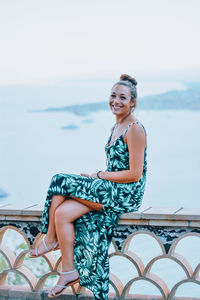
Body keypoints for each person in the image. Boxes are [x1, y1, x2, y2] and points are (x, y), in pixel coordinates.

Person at [29, 74, 147, 299]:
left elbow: (135, 173)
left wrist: (98, 176)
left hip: (126, 194)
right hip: (110, 188)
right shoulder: (117, 126)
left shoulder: (135, 128)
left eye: (122, 97)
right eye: (113, 96)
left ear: (133, 102)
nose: (116, 101)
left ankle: (50, 239)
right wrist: (99, 179)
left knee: (59, 180)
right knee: (62, 213)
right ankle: (68, 271)